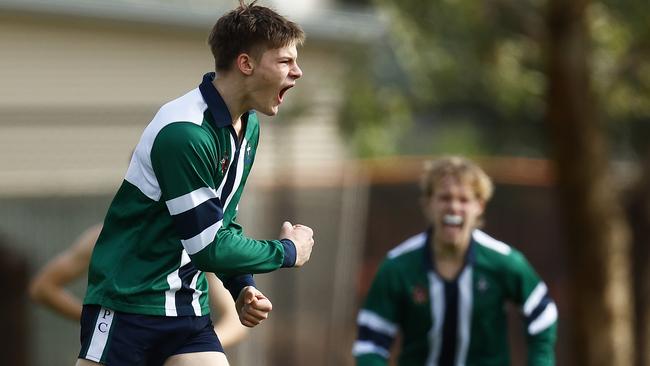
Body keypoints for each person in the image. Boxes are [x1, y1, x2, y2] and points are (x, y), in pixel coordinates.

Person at [75, 1, 314, 365]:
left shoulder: (246, 125)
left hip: (187, 307)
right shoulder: (184, 132)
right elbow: (208, 247)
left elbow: (222, 223)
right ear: (246, 63)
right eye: (285, 61)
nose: (297, 72)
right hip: (128, 303)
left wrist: (241, 286)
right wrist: (287, 251)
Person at [352, 156, 557, 366]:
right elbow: (370, 344)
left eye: (464, 199)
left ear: (480, 206)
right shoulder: (397, 267)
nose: (454, 207)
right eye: (445, 198)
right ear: (427, 203)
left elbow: (543, 315)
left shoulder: (504, 262)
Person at [29, 224, 249, 348]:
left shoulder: (199, 240)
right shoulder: (107, 238)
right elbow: (43, 287)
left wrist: (188, 346)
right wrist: (105, 324)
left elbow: (235, 319)